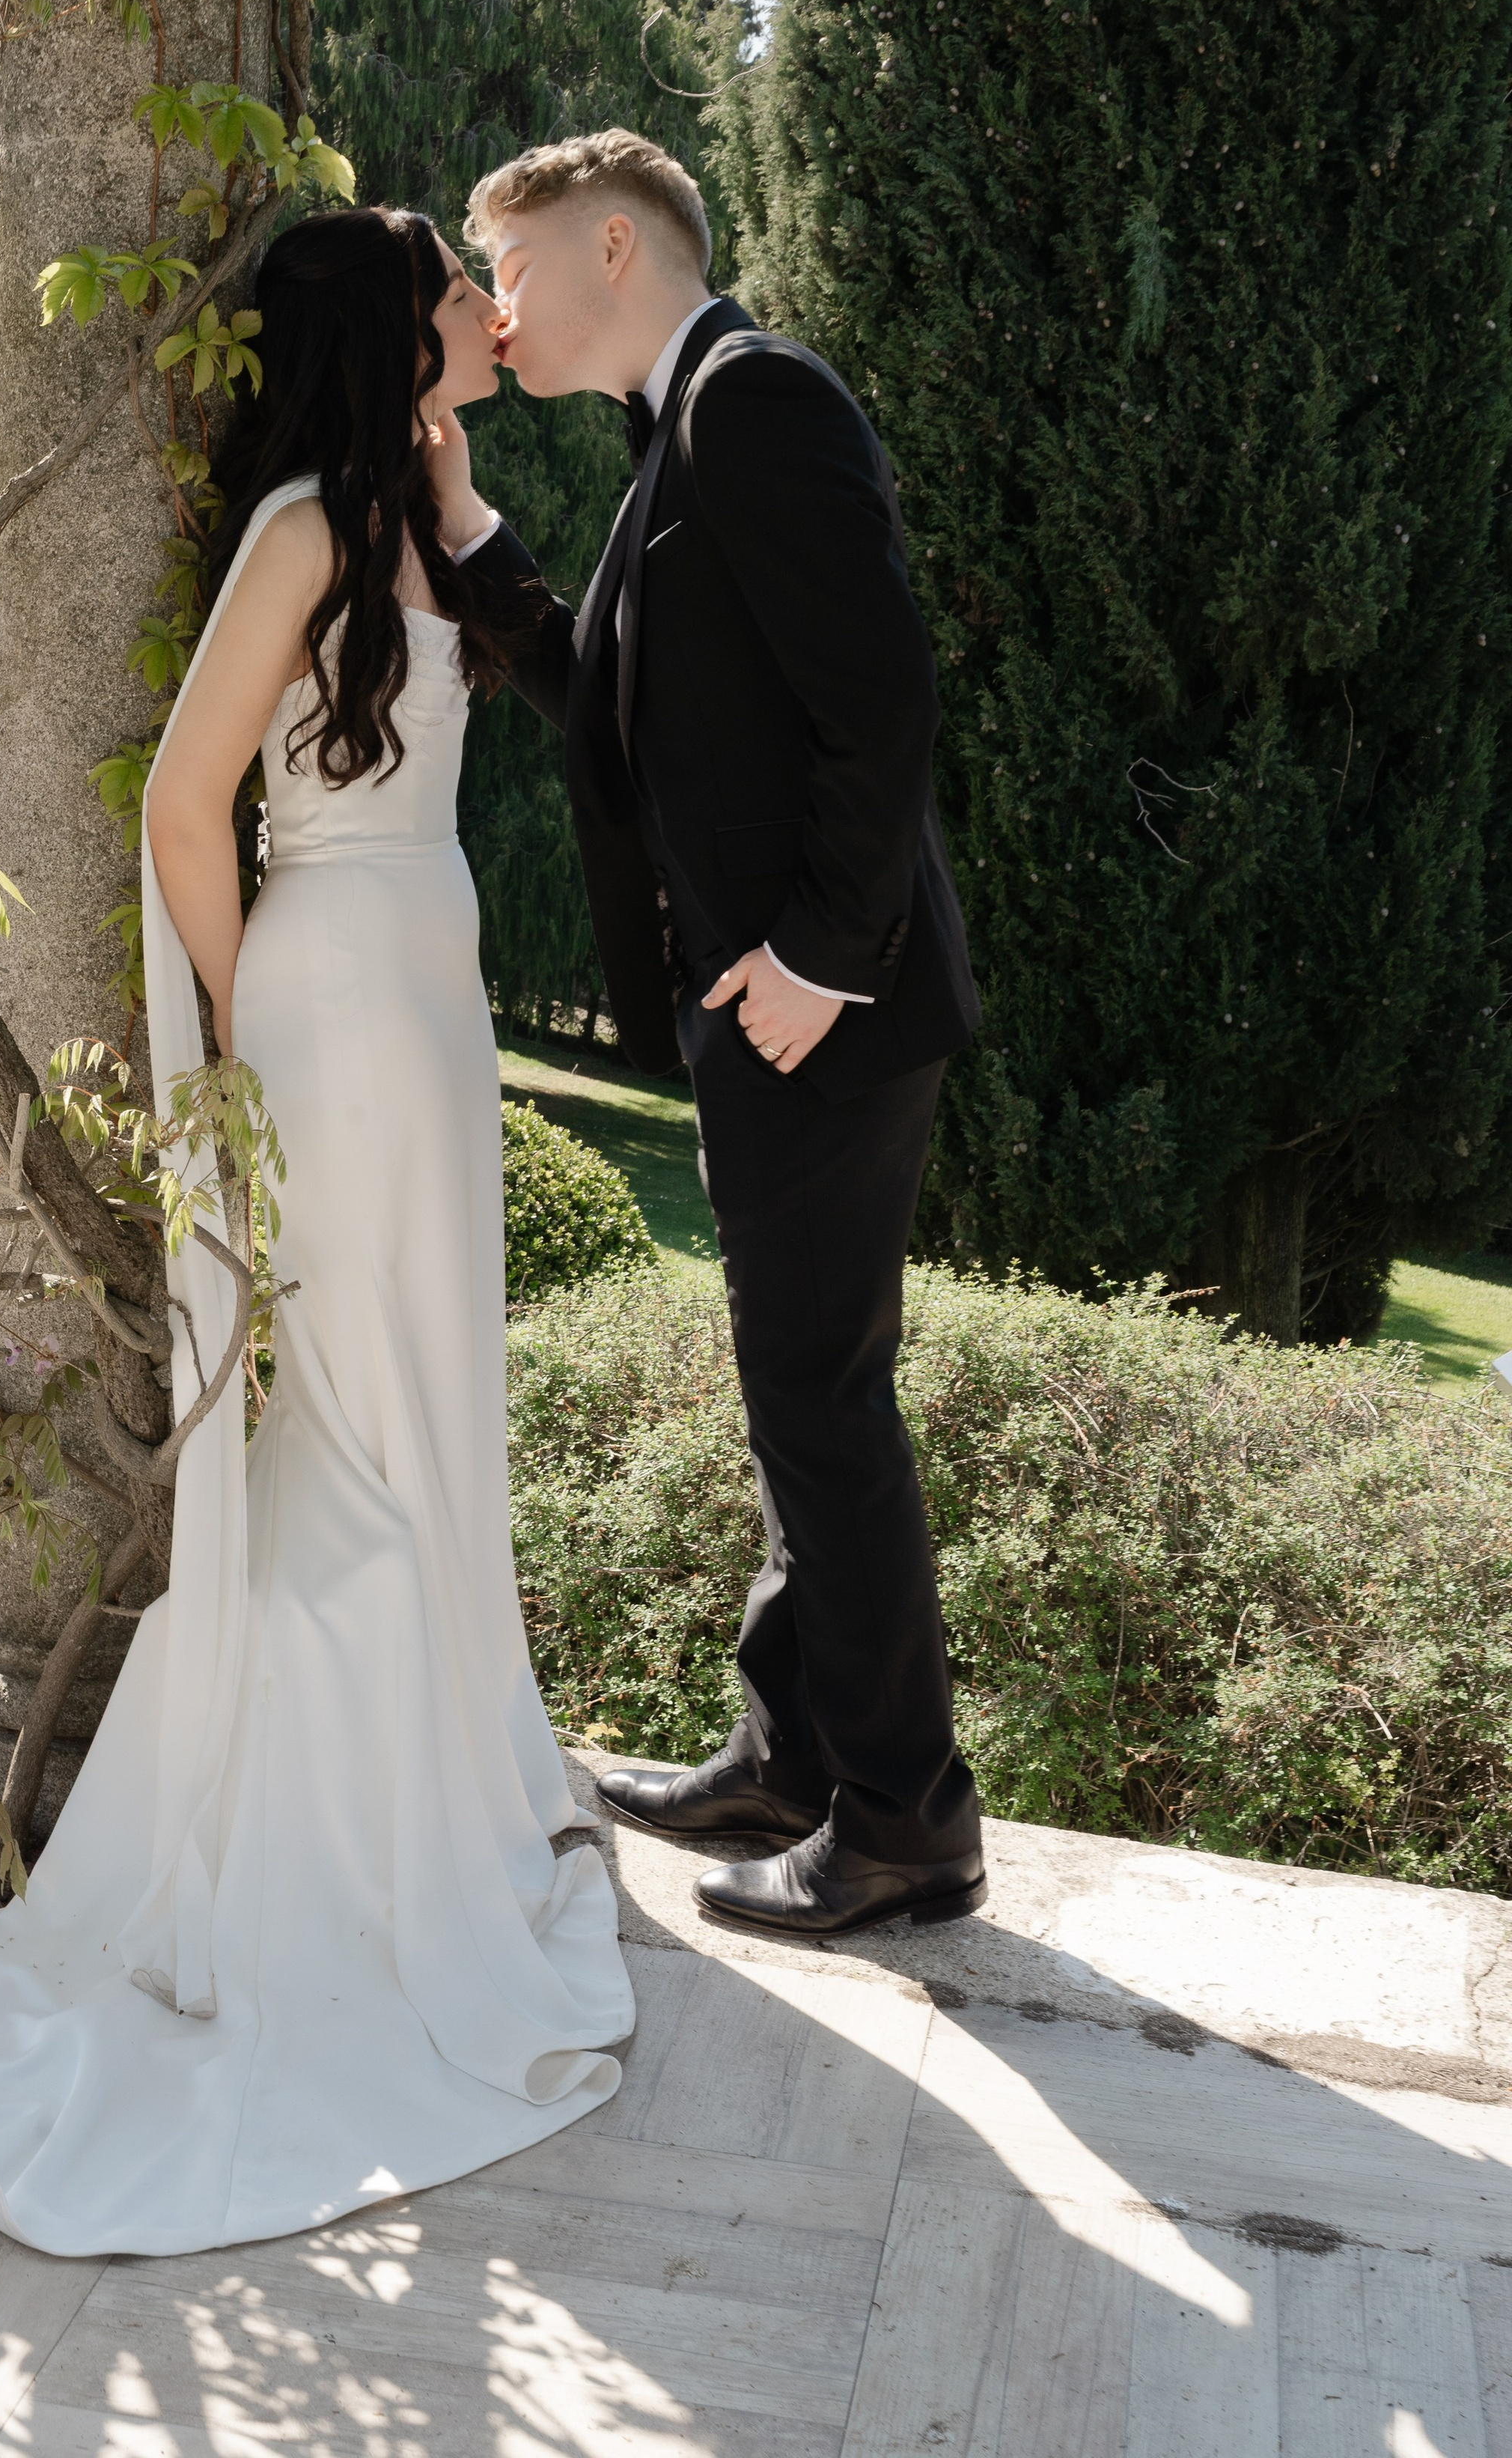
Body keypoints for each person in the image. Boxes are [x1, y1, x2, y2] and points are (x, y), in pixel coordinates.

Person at [0, 206, 632, 2257]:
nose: (488, 306)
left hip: (425, 991)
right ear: (393, 328)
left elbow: (548, 681)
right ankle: (348, 1844)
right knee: (358, 1403)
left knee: (429, 1386)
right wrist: (253, 1011)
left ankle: (443, 1785)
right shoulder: (298, 527)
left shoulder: (410, 511)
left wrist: (461, 493)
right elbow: (188, 802)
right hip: (339, 992)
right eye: (460, 289)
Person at [439, 130, 987, 1940]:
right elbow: (603, 690)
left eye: (499, 269)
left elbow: (882, 694)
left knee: (818, 1402)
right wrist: (460, 532)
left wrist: (815, 963)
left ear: (610, 243)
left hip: (820, 1013)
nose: (491, 312)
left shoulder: (753, 400)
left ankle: (905, 1816)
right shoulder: (678, 433)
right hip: (773, 1015)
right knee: (794, 1393)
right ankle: (790, 1749)